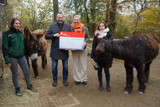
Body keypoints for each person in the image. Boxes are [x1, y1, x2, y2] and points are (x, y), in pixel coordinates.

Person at [2, 18, 37, 96]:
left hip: (21, 56)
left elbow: (24, 45)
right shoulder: (7, 34)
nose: (18, 25)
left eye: (19, 23)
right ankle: (17, 89)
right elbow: (5, 47)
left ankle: (29, 85)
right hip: (12, 57)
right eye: (16, 23)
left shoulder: (21, 34)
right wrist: (7, 60)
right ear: (12, 24)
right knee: (15, 73)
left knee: (27, 71)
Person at [45, 12, 71, 87]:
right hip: (55, 49)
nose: (60, 19)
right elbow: (46, 36)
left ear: (63, 18)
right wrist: (53, 35)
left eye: (61, 17)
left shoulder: (68, 26)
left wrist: (69, 46)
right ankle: (55, 80)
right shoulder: (52, 25)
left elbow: (70, 37)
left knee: (65, 67)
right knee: (54, 66)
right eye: (58, 17)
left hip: (64, 50)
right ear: (56, 18)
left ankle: (65, 79)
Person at [91, 21, 113, 91]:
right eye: (100, 26)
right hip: (98, 56)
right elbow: (93, 46)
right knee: (99, 71)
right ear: (98, 27)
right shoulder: (96, 34)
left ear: (105, 26)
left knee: (107, 71)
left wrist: (104, 37)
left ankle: (108, 84)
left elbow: (111, 42)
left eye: (102, 26)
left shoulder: (108, 34)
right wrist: (92, 57)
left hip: (107, 56)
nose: (101, 27)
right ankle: (100, 84)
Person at [71, 15, 90, 85]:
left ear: (79, 20)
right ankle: (77, 78)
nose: (76, 21)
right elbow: (68, 38)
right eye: (75, 20)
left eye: (77, 19)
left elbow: (88, 37)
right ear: (73, 20)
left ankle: (83, 78)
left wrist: (85, 41)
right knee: (75, 64)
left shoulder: (85, 28)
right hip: (74, 49)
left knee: (83, 64)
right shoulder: (71, 28)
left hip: (83, 49)